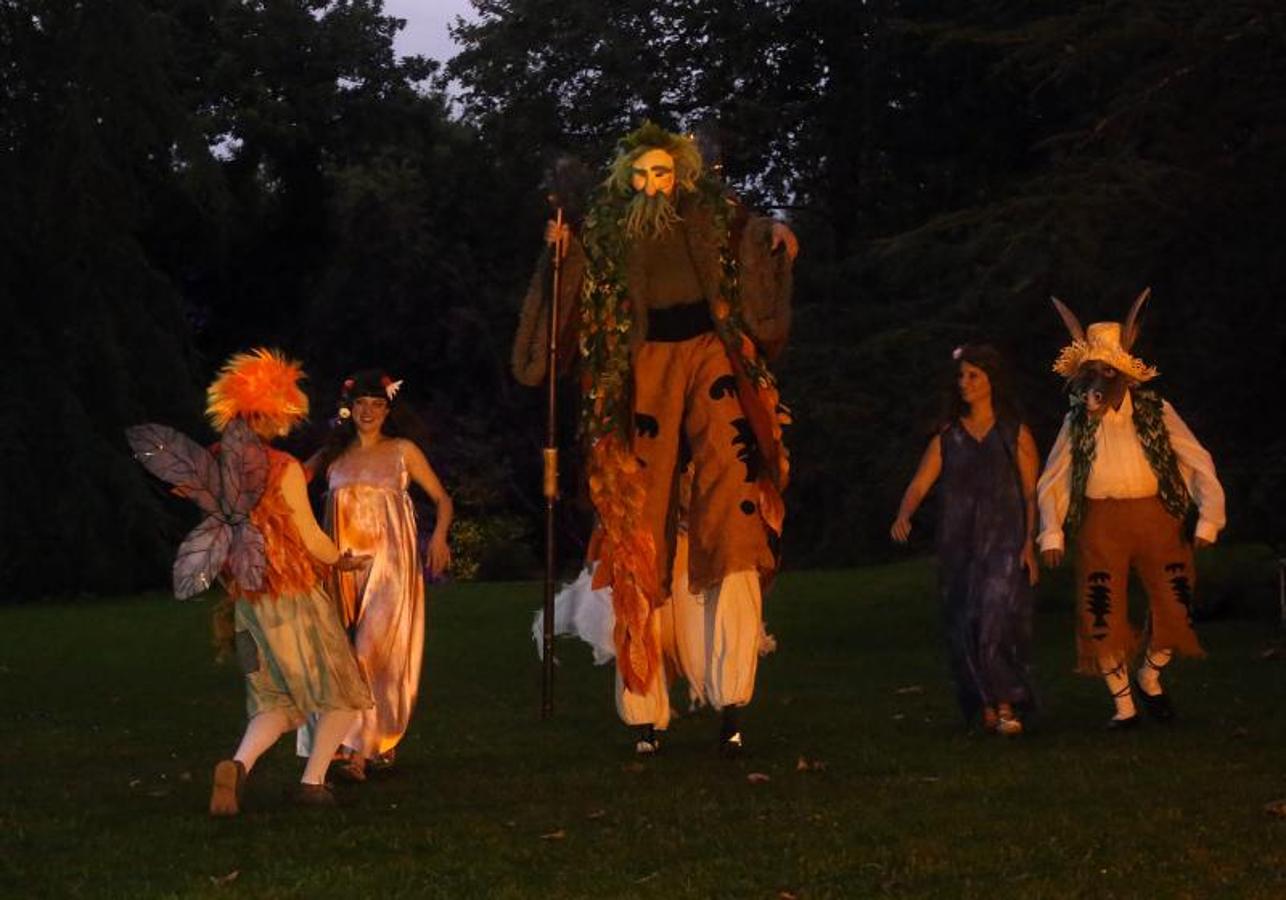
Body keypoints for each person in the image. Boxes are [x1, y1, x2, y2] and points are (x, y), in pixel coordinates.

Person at [513, 121, 796, 754]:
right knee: (639, 522)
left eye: (662, 173)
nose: (652, 185)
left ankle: (732, 693)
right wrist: (557, 253)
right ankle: (644, 704)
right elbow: (568, 294)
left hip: (709, 350)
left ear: (681, 173)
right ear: (625, 177)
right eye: (640, 175)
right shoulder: (609, 230)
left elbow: (750, 244)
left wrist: (773, 235)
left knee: (733, 502)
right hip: (644, 364)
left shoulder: (711, 214)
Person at [129, 348, 374, 815]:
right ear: (276, 411)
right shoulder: (281, 468)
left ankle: (237, 766)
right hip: (293, 598)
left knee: (273, 702)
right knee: (343, 692)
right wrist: (344, 561)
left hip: (247, 603)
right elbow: (309, 536)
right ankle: (312, 782)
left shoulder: (214, 466)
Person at [1037, 290, 1224, 729]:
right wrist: (1052, 531)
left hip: (1158, 517)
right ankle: (1123, 706)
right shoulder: (1076, 422)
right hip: (1101, 523)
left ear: (1123, 373)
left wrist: (1210, 516)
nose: (1098, 382)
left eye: (1106, 372)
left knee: (1175, 600)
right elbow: (1055, 476)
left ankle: (1150, 675)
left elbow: (1195, 459)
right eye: (1091, 374)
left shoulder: (1156, 411)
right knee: (1100, 608)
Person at [298, 370, 453, 780]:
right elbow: (290, 482)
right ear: (350, 409)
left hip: (390, 565)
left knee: (372, 650)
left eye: (377, 405)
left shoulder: (402, 450)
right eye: (362, 405)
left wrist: (439, 537)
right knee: (338, 653)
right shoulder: (334, 454)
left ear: (387, 410)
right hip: (340, 565)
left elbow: (442, 498)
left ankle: (361, 751)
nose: (369, 412)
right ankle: (338, 742)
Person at [891, 344, 1040, 735]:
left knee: (997, 620)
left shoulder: (1014, 433)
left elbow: (1030, 493)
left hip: (1005, 542)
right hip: (958, 543)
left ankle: (1008, 702)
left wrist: (1029, 543)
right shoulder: (949, 437)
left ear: (992, 380)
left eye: (974, 375)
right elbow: (921, 482)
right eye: (961, 376)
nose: (965, 383)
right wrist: (904, 513)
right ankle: (983, 706)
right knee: (964, 623)